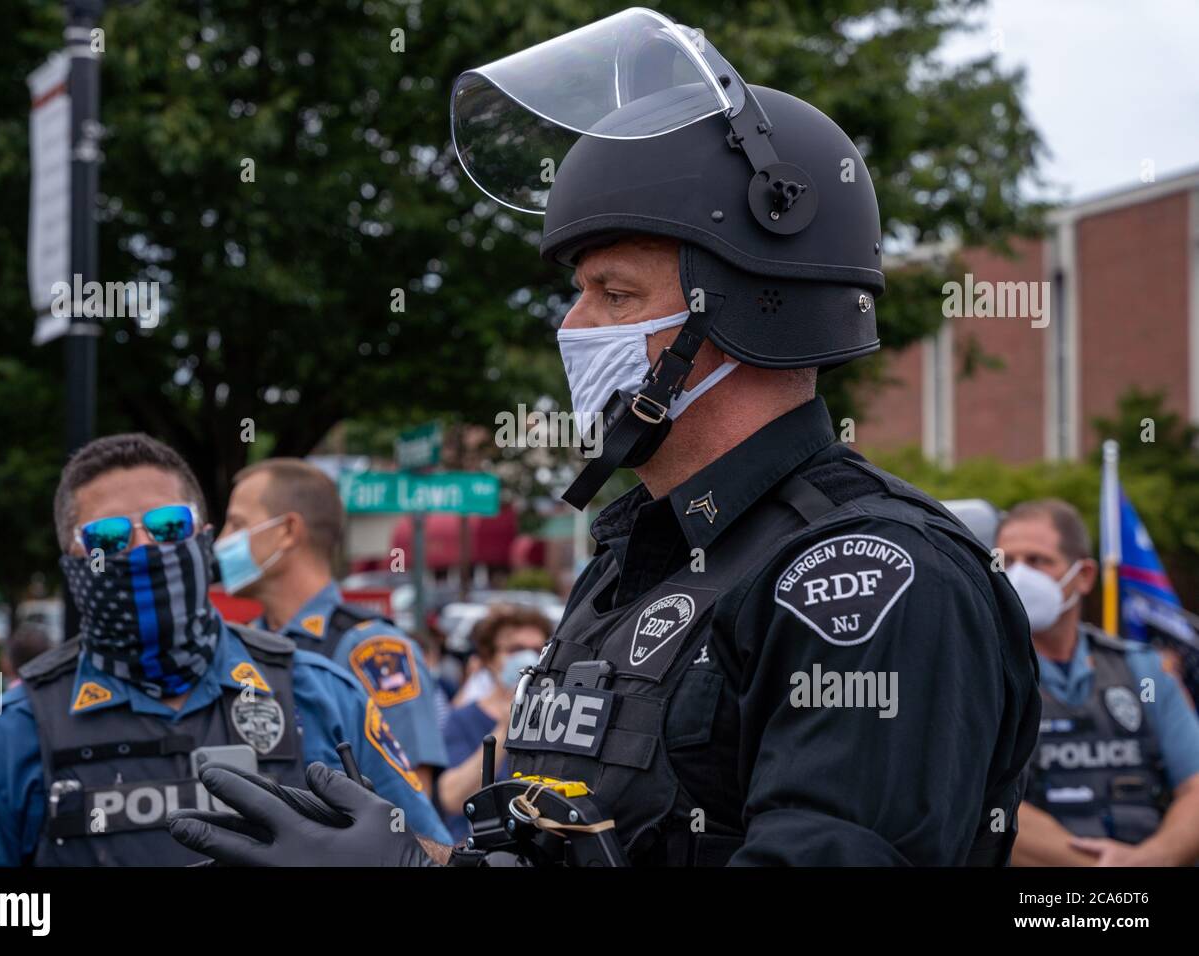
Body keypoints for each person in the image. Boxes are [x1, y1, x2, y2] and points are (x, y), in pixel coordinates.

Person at [169, 8, 1040, 867]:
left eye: (615, 296)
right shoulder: (630, 564)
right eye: (579, 292)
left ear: (751, 308)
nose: (573, 325)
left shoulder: (872, 581)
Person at [0, 433, 447, 867]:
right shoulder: (8, 735)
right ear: (74, 561)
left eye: (168, 526)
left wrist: (389, 860)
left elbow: (442, 855)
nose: (143, 548)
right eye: (109, 539)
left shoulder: (324, 698)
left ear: (202, 536)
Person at [216, 457, 448, 791]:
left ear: (287, 531)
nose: (221, 541)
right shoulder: (243, 641)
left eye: (236, 525)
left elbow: (408, 805)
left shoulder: (373, 651)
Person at [997, 499, 1199, 866]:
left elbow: (1195, 787)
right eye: (1006, 562)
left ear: (1085, 575)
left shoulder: (1145, 669)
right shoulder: (984, 675)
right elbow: (982, 804)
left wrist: (1154, 857)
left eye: (1038, 561)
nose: (1019, 576)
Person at [435, 605, 551, 839]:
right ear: (489, 658)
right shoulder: (462, 719)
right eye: (516, 649)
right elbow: (451, 798)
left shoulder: (555, 719)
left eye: (538, 650)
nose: (529, 659)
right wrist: (506, 728)